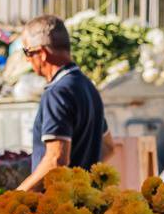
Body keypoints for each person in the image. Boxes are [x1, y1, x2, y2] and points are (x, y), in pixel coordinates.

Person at [16, 15, 112, 192]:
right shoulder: (87, 86)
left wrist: (17, 195)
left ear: (42, 54)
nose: (27, 60)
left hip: (57, 207)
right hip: (83, 203)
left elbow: (56, 159)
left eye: (27, 52)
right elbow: (108, 147)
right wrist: (82, 181)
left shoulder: (57, 93)